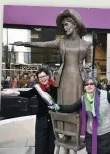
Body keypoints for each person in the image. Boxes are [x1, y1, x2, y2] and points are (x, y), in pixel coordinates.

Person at [11, 9, 92, 140]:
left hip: (78, 79)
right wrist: (26, 43)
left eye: (66, 25)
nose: (64, 28)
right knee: (63, 104)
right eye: (63, 25)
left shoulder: (86, 44)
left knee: (76, 105)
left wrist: (86, 69)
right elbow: (43, 44)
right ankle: (66, 133)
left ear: (75, 24)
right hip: (64, 79)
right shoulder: (61, 42)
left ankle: (76, 132)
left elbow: (88, 63)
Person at [1, 68, 56, 154]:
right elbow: (27, 94)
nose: (43, 78)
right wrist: (13, 91)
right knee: (40, 144)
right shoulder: (37, 88)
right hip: (41, 119)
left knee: (51, 144)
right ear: (38, 79)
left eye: (44, 76)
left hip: (53, 120)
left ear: (48, 76)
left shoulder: (55, 88)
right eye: (40, 77)